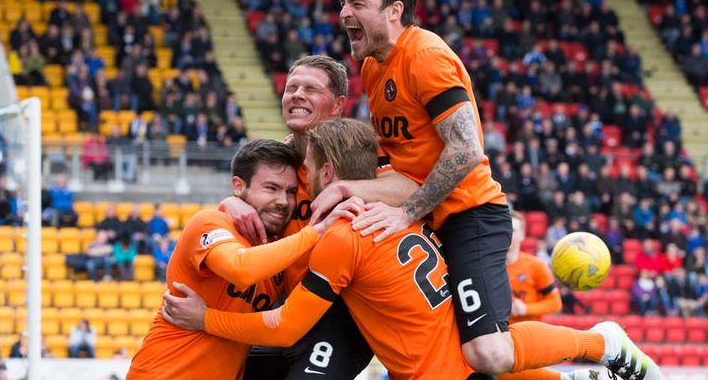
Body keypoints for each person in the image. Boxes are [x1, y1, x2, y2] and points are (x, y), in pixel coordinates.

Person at [302, 0, 660, 380]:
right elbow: (407, 162)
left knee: (488, 352)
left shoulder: (425, 56)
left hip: (470, 217)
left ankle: (604, 344)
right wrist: (348, 187)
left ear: (394, 10)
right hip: (429, 217)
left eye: (357, 3)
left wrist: (406, 212)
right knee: (455, 353)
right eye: (343, 3)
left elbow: (466, 149)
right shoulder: (374, 66)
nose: (344, 13)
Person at [167, 118, 653, 380]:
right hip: (452, 343)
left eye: (306, 170)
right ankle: (595, 350)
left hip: (429, 370)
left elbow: (286, 326)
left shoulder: (341, 235)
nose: (301, 181)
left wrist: (204, 320)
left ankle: (598, 346)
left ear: (329, 175)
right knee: (495, 353)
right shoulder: (405, 205)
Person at [190, 55, 416, 379]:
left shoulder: (359, 150)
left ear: (338, 104)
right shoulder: (277, 160)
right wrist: (232, 202)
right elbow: (243, 196)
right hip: (286, 307)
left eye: (311, 89)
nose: (297, 94)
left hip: (342, 311)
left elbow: (413, 188)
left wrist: (345, 188)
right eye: (291, 87)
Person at [127, 140, 352, 379]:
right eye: (271, 188)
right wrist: (315, 232)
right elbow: (241, 268)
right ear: (238, 186)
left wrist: (206, 319)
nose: (283, 202)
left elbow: (283, 327)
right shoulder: (209, 222)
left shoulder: (278, 253)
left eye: (291, 192)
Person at [506, 213, 562, 323]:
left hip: (527, 334)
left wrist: (526, 309)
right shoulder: (485, 268)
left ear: (522, 234)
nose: (508, 234)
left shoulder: (536, 265)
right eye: (504, 229)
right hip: (497, 337)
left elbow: (555, 303)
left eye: (513, 230)